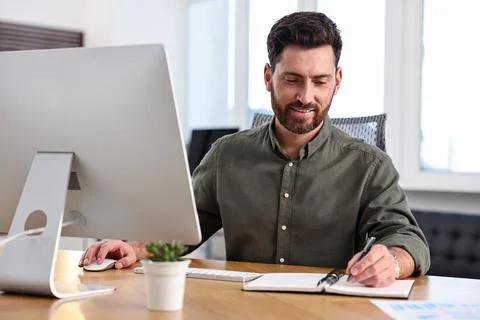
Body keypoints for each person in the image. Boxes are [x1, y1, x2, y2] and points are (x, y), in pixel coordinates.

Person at [80, 11, 430, 287]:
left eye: (320, 81)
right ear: (268, 77)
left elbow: (407, 238)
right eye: (292, 79)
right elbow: (183, 226)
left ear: (337, 81)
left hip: (329, 309)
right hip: (242, 308)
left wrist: (394, 260)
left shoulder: (369, 164)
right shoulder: (227, 155)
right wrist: (135, 247)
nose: (306, 97)